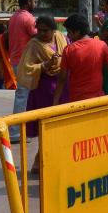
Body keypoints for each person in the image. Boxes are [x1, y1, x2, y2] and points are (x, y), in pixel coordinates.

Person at [17, 16, 68, 171]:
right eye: (39, 30)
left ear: (54, 30)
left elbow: (68, 54)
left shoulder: (60, 37)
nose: (41, 33)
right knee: (45, 127)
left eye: (45, 30)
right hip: (43, 89)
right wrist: (44, 65)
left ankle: (53, 159)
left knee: (61, 125)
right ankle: (40, 161)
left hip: (62, 85)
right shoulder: (33, 45)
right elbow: (25, 68)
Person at [54, 14, 108, 104]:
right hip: (98, 100)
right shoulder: (102, 45)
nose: (68, 36)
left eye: (69, 32)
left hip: (77, 101)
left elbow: (62, 79)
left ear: (77, 32)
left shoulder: (68, 50)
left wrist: (55, 101)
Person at [8, 0, 37, 141]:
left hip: (17, 60)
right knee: (23, 95)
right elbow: (39, 36)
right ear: (28, 1)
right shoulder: (28, 18)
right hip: (24, 61)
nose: (35, 3)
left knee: (24, 94)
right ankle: (14, 131)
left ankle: (23, 128)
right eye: (35, 1)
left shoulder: (14, 17)